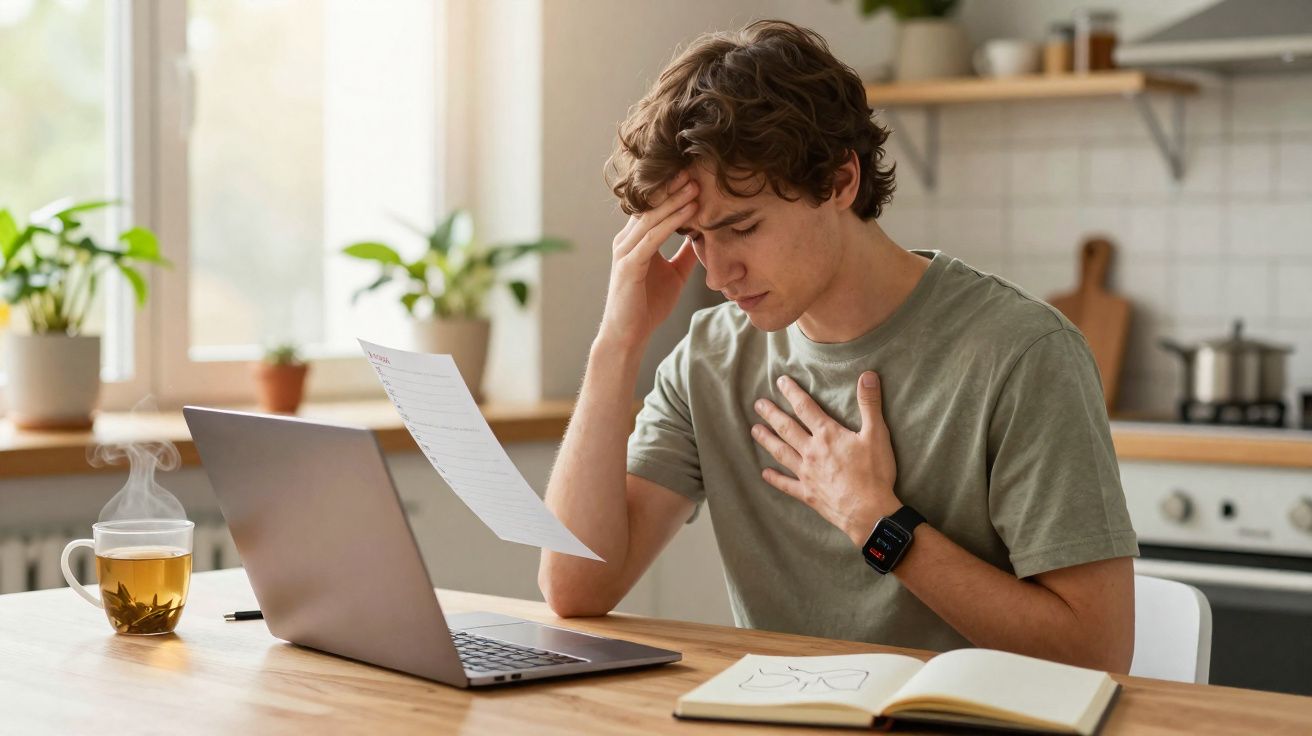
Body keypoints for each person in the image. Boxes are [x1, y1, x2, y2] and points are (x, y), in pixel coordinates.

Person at [538, 19, 1138, 673]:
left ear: (840, 182)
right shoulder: (709, 359)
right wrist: (616, 344)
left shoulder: (1023, 354)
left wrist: (879, 524)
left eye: (741, 227)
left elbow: (1096, 652)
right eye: (697, 237)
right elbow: (575, 588)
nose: (717, 274)